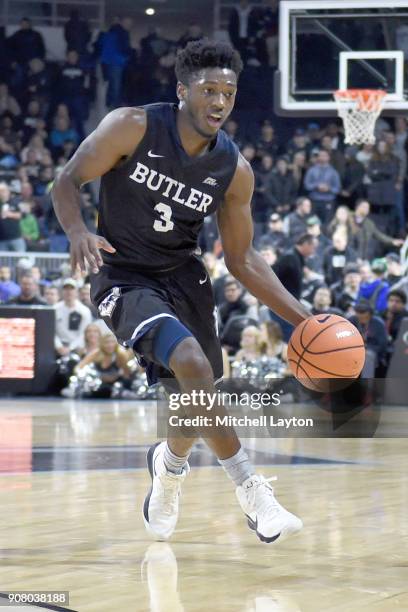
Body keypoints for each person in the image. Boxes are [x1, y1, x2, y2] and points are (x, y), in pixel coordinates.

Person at [52, 39, 308, 545]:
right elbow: (67, 180)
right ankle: (251, 490)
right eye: (209, 90)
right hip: (122, 273)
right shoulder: (133, 125)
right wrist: (79, 232)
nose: (219, 102)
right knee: (192, 363)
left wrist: (303, 320)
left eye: (229, 93)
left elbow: (243, 259)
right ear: (182, 91)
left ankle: (168, 469)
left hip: (183, 278)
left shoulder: (234, 170)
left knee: (191, 398)